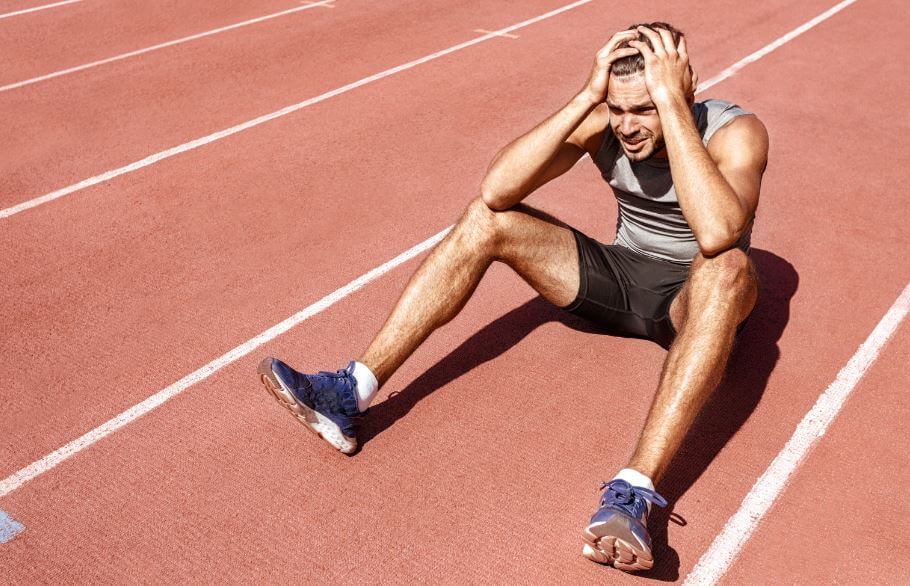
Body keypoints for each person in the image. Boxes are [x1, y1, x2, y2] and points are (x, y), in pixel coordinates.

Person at [256, 21, 768, 572]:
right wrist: (588, 97)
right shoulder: (605, 121)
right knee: (484, 220)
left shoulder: (734, 133)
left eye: (642, 109)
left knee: (730, 269)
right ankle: (350, 392)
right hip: (619, 275)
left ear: (683, 90)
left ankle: (633, 494)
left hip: (693, 299)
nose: (627, 127)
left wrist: (670, 107)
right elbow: (497, 190)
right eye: (618, 110)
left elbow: (717, 234)